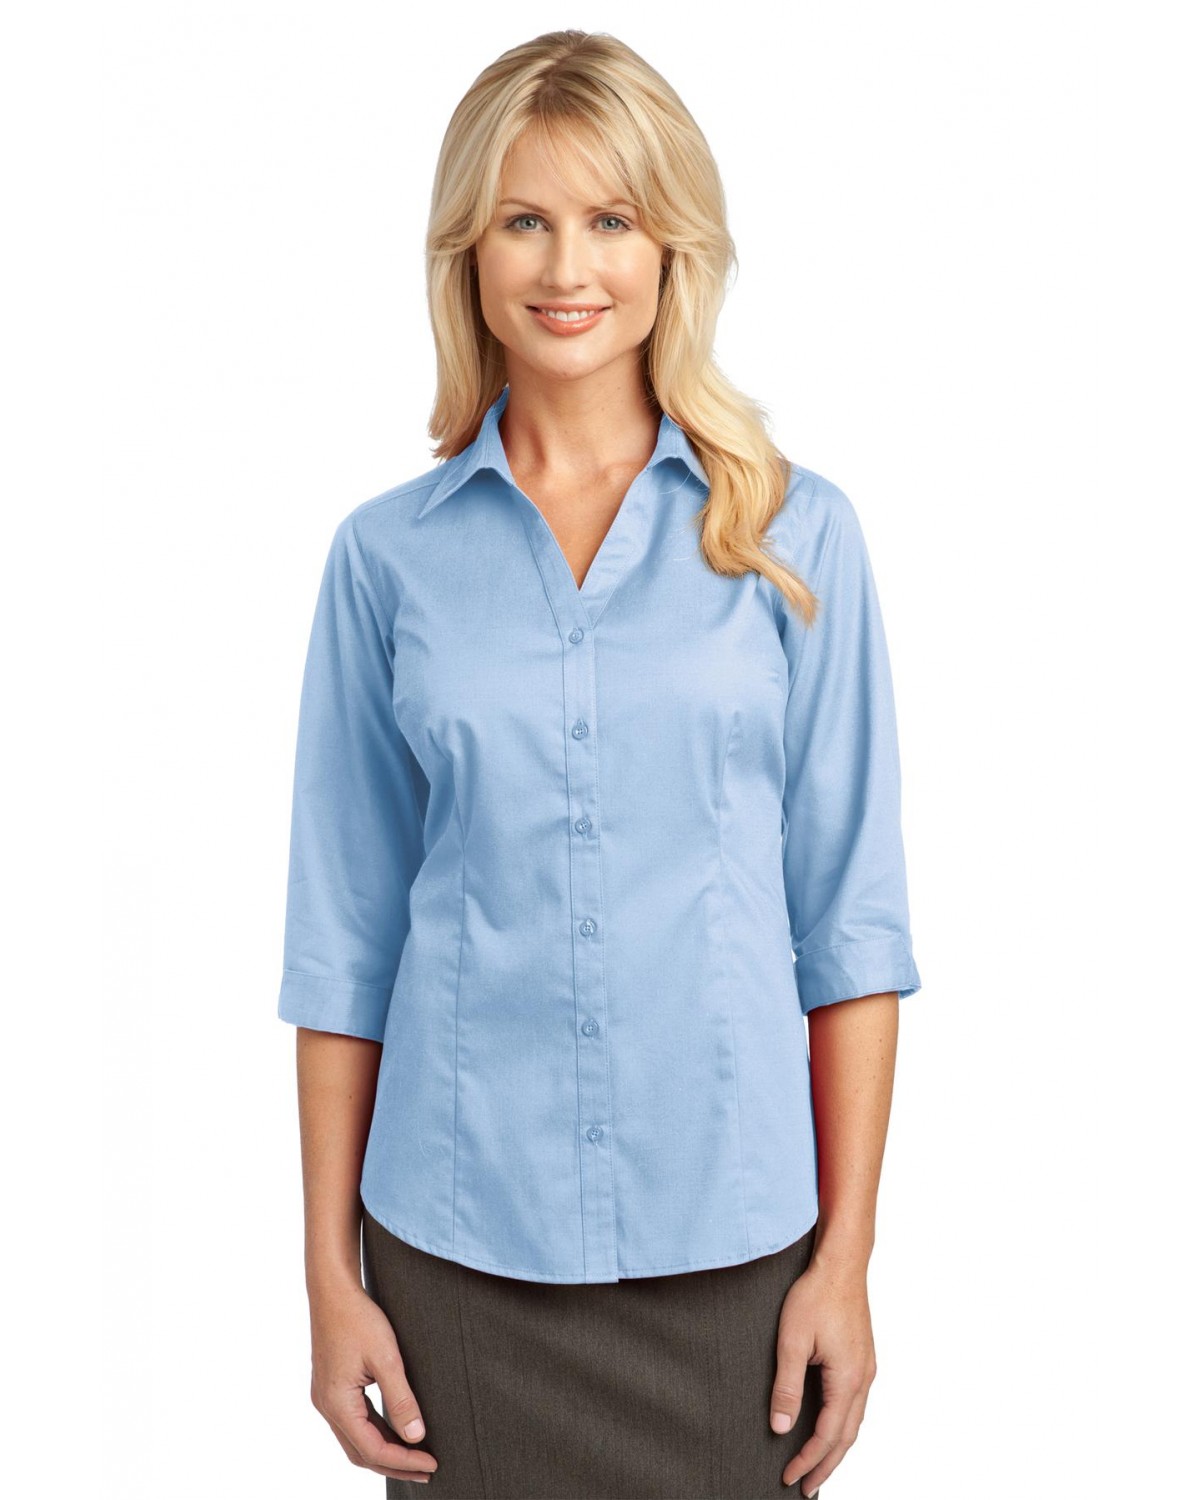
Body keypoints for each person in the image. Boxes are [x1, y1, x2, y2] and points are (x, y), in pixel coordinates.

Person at [277, 28, 921, 1500]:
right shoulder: (385, 561)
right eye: (525, 219)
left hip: (735, 1260)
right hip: (456, 1261)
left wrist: (847, 1262)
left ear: (671, 245)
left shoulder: (797, 538)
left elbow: (852, 926)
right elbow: (344, 946)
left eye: (612, 218)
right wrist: (328, 1278)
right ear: (470, 250)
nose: (569, 267)